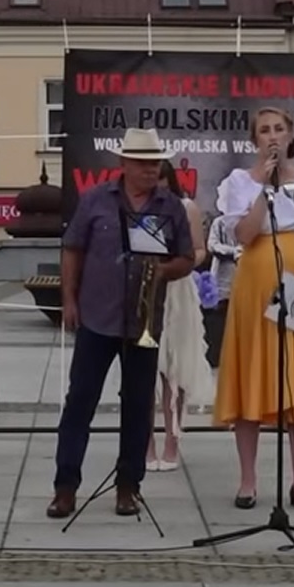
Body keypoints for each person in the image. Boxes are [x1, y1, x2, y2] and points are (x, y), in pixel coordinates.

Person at [47, 128, 195, 520]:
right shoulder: (95, 200)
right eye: (143, 163)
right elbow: (73, 249)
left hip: (144, 320)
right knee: (80, 402)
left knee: (137, 406)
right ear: (124, 164)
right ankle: (65, 487)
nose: (150, 169)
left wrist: (162, 272)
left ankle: (128, 486)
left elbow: (188, 258)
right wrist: (69, 300)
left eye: (155, 163)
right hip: (97, 315)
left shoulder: (171, 207)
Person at [213, 107, 294, 512]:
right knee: (253, 374)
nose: (272, 136)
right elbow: (245, 235)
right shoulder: (239, 182)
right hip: (256, 290)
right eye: (264, 130)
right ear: (254, 139)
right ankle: (248, 481)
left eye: (278, 129)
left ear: (291, 135)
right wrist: (265, 187)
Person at [146, 161, 215, 471]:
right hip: (147, 291)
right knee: (147, 371)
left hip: (179, 291)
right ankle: (146, 444)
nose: (155, 187)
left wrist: (181, 260)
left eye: (160, 180)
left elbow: (200, 250)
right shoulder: (135, 207)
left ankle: (172, 440)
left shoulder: (186, 207)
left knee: (177, 366)